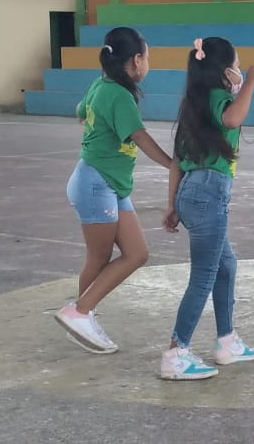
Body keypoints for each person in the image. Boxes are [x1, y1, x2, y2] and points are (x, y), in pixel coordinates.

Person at [55, 26, 176, 354]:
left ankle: (81, 314)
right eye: (147, 58)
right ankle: (80, 313)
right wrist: (172, 165)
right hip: (96, 183)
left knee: (137, 254)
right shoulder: (118, 94)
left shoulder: (101, 85)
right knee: (99, 257)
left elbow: (80, 112)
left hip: (109, 183)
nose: (147, 64)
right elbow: (139, 136)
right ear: (136, 60)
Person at [158, 36, 254, 381]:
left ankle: (227, 341)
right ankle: (176, 353)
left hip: (191, 192)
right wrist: (250, 83)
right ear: (224, 71)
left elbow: (177, 160)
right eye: (236, 65)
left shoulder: (193, 104)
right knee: (204, 275)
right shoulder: (219, 98)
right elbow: (233, 119)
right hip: (208, 192)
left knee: (225, 265)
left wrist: (172, 204)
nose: (239, 70)